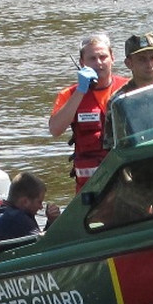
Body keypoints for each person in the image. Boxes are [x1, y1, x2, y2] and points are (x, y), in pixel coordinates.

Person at [48, 33, 129, 191]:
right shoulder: (70, 95)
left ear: (112, 58)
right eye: (92, 59)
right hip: (90, 186)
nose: (98, 63)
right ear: (82, 63)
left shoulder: (129, 88)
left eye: (103, 57)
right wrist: (81, 91)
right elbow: (55, 130)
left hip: (126, 177)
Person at [0, 172, 61, 242]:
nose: (41, 207)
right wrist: (52, 222)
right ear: (25, 201)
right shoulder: (18, 219)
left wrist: (51, 221)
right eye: (39, 202)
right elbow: (45, 244)